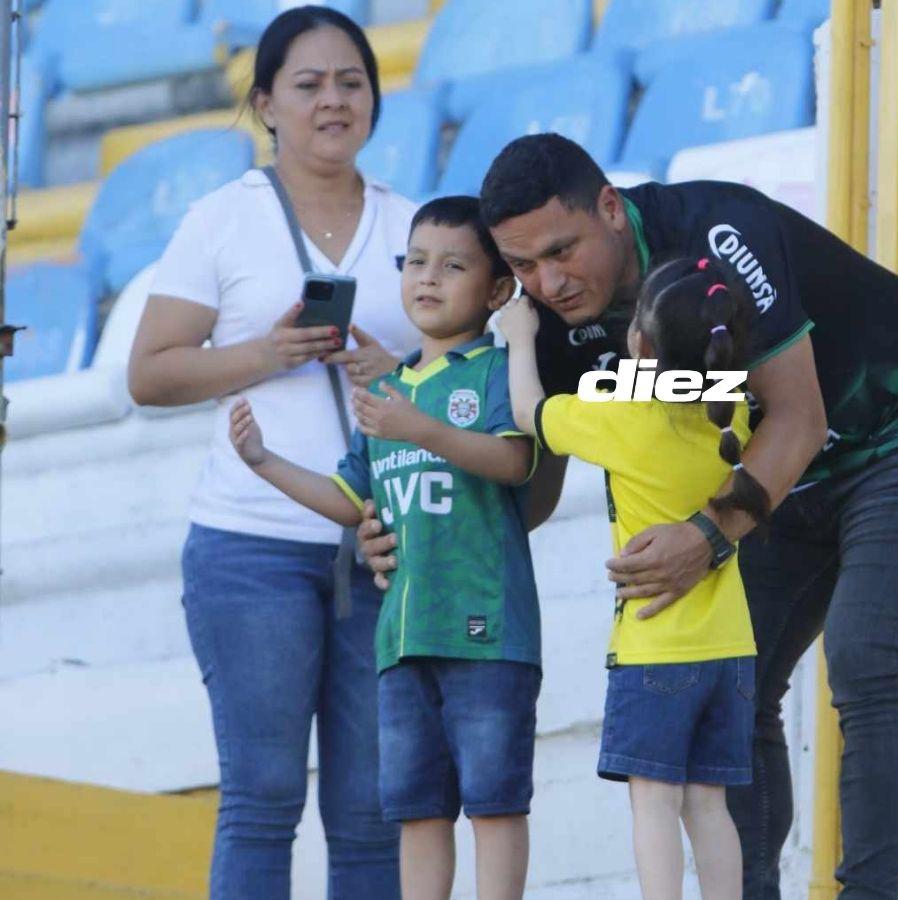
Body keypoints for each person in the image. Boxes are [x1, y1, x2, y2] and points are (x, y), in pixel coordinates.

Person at [359, 133, 898, 899]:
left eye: (562, 251)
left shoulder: (717, 233)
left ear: (609, 206)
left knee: (865, 659)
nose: (550, 282)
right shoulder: (549, 315)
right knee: (736, 682)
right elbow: (536, 481)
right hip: (775, 483)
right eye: (525, 266)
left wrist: (705, 538)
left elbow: (795, 420)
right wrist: (418, 530)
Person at [127, 7, 416, 897]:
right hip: (248, 549)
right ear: (265, 104)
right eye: (309, 84)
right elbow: (149, 373)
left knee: (374, 813)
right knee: (262, 799)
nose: (334, 101)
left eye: (352, 82)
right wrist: (268, 354)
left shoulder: (419, 227)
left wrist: (392, 369)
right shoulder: (222, 220)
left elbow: (465, 376)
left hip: (383, 549)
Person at [230, 196, 542, 900]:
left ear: (496, 291)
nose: (428, 279)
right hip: (401, 640)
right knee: (415, 810)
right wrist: (263, 461)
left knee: (495, 802)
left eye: (454, 265)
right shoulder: (389, 389)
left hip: (486, 635)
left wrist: (420, 429)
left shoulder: (492, 373)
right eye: (417, 263)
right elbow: (350, 498)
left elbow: (515, 461)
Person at [500, 256, 770, 900]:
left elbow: (529, 412)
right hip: (732, 647)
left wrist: (518, 338)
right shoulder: (732, 416)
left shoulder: (621, 421)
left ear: (640, 345)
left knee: (654, 803)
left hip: (654, 647)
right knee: (710, 805)